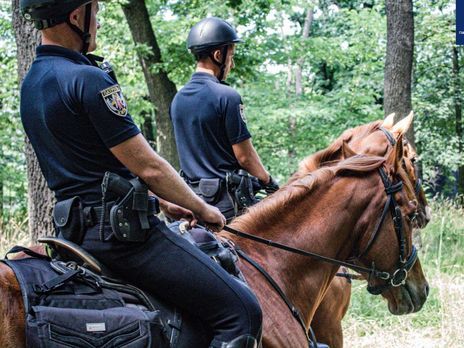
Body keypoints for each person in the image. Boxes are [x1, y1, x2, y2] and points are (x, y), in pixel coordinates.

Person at [19, 1, 262, 347]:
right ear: (76, 16)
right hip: (124, 240)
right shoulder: (88, 78)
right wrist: (205, 210)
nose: (98, 22)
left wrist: (162, 200)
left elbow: (89, 164)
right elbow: (148, 165)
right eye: (96, 14)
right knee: (242, 311)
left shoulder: (32, 83)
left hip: (72, 234)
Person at [170, 17, 279, 221]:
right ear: (218, 55)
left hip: (190, 202)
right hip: (225, 205)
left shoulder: (178, 99)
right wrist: (269, 181)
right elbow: (244, 157)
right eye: (231, 56)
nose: (232, 63)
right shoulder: (227, 96)